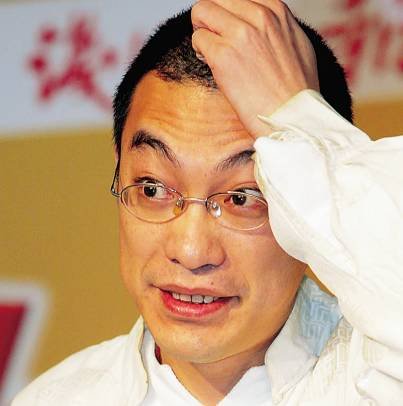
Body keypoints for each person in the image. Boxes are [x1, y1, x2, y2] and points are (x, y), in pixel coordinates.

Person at [13, 1, 403, 405]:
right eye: (152, 188)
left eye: (242, 197)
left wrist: (301, 124)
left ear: (307, 202)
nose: (191, 251)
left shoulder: (373, 376)